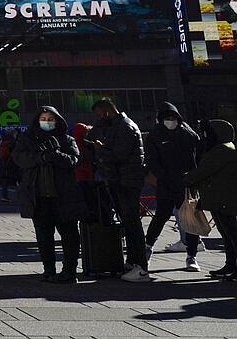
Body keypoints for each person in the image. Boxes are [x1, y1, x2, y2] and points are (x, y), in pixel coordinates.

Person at [12, 107, 86, 284]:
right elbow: (19, 159)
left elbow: (75, 160)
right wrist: (41, 157)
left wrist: (56, 155)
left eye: (50, 119)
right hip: (39, 197)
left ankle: (69, 270)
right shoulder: (28, 140)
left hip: (64, 196)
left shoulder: (66, 139)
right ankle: (48, 270)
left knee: (69, 235)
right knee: (44, 236)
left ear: (57, 120)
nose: (47, 121)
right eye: (43, 118)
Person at [88, 97, 149, 282]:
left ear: (107, 112)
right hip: (124, 179)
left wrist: (100, 149)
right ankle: (133, 262)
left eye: (99, 115)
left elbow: (119, 155)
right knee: (129, 222)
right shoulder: (120, 125)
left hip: (127, 180)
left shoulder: (124, 127)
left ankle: (140, 266)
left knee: (132, 223)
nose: (98, 119)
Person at [144, 102, 202, 271]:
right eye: (167, 118)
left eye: (173, 118)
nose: (171, 120)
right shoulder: (156, 135)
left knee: (190, 221)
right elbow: (151, 160)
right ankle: (148, 248)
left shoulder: (188, 133)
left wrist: (194, 177)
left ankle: (191, 255)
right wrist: (162, 176)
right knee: (160, 217)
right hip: (166, 184)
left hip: (186, 185)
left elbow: (198, 154)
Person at [185, 120, 237, 280]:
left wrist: (184, 179)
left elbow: (203, 171)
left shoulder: (221, 150)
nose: (204, 136)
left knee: (231, 234)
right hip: (220, 198)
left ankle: (232, 265)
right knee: (227, 234)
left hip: (223, 199)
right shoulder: (226, 147)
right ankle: (230, 264)